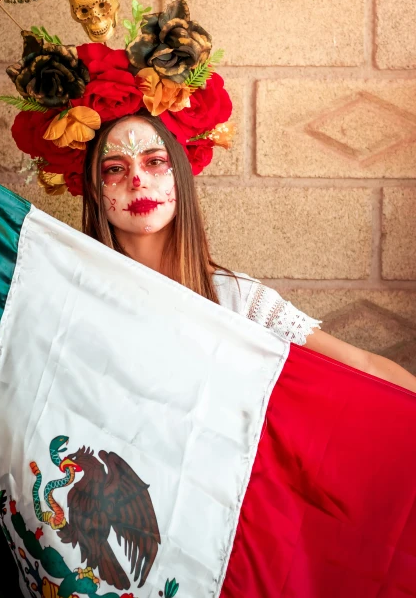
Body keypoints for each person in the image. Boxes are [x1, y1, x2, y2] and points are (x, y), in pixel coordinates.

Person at [80, 112, 416, 393]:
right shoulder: (71, 291)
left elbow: (363, 366)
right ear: (95, 191)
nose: (137, 179)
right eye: (114, 168)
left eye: (154, 162)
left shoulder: (238, 299)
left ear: (180, 176)